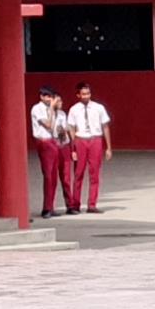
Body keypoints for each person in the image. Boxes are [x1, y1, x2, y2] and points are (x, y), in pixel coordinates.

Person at [67, 83, 112, 214]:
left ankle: (92, 204)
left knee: (95, 173)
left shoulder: (99, 108)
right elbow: (71, 128)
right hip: (80, 139)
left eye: (88, 93)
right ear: (78, 95)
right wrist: (73, 147)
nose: (86, 96)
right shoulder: (74, 109)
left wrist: (108, 147)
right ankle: (75, 204)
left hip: (95, 139)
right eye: (83, 94)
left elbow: (105, 127)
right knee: (78, 173)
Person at [30, 88, 73, 219]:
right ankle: (47, 208)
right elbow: (48, 125)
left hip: (54, 142)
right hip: (44, 141)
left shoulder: (59, 113)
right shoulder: (37, 109)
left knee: (55, 176)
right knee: (49, 176)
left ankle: (51, 206)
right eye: (48, 97)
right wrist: (51, 110)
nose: (50, 100)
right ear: (42, 97)